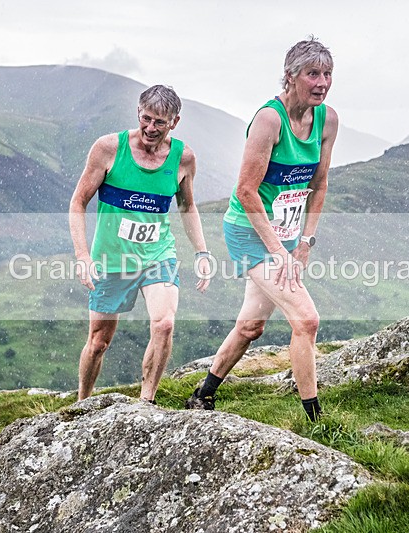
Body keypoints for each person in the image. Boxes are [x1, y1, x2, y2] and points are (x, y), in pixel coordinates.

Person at [185, 37, 338, 421]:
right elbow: (245, 191)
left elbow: (318, 184)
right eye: (312, 74)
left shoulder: (327, 119)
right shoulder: (269, 120)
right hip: (249, 232)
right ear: (290, 77)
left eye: (327, 74)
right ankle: (317, 422)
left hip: (284, 236)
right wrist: (279, 251)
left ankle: (202, 394)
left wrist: (304, 241)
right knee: (306, 319)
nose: (321, 82)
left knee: (251, 325)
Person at [69, 85, 211, 402]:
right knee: (99, 341)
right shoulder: (108, 149)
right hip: (111, 258)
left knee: (164, 324)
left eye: (159, 122)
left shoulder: (183, 158)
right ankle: (82, 403)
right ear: (137, 113)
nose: (150, 128)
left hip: (157, 254)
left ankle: (146, 402)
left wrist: (201, 251)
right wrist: (82, 255)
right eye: (146, 118)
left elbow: (187, 206)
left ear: (174, 122)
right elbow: (78, 202)